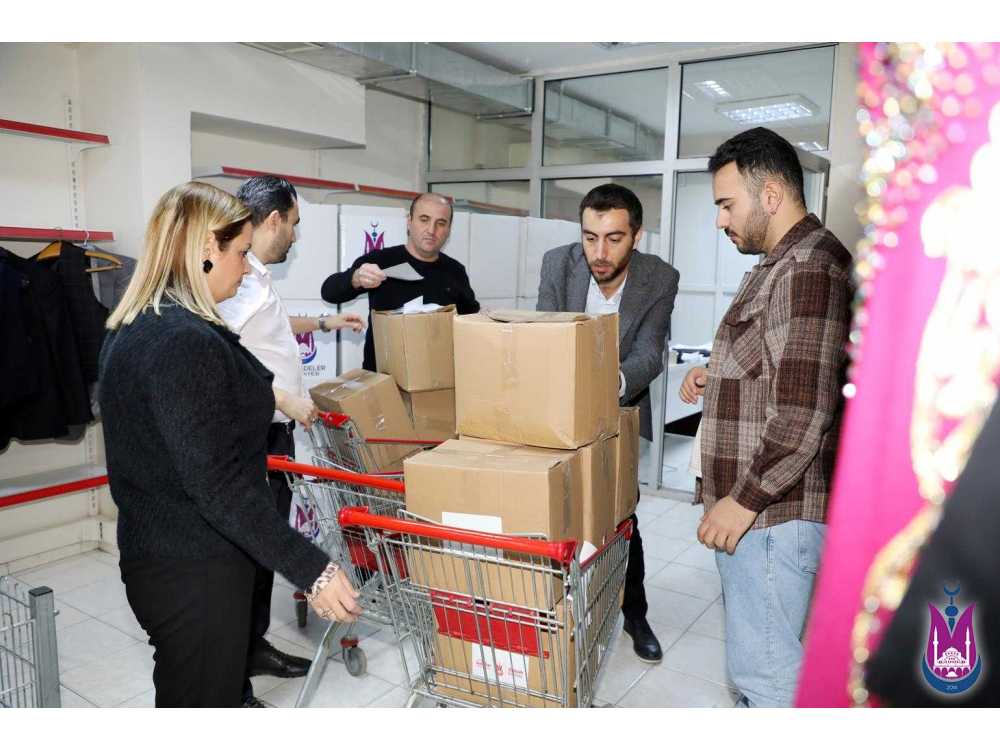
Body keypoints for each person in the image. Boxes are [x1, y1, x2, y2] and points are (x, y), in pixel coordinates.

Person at [98, 181, 362, 708]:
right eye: (240, 253)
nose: (245, 269)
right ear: (205, 250)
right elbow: (217, 485)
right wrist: (313, 569)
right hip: (193, 569)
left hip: (168, 554)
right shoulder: (181, 342)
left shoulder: (141, 324)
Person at [679, 127, 853, 707]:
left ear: (771, 195)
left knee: (768, 678)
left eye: (727, 204)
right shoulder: (781, 264)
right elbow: (781, 369)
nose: (720, 220)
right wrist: (718, 374)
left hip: (773, 515)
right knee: (761, 666)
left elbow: (803, 411)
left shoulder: (808, 267)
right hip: (766, 514)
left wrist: (743, 500)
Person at [216, 175, 363, 706]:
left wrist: (325, 321)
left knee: (261, 555)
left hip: (274, 434)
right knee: (245, 556)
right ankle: (231, 675)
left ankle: (252, 648)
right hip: (254, 435)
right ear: (273, 219)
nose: (295, 237)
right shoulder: (236, 281)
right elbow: (219, 355)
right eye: (294, 225)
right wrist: (284, 399)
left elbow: (271, 327)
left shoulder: (252, 275)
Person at [537, 183, 679, 663]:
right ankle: (555, 610)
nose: (599, 252)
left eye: (614, 239)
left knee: (621, 516)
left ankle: (634, 613)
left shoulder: (659, 278)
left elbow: (650, 354)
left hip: (619, 410)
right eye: (590, 237)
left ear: (636, 236)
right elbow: (545, 336)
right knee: (556, 512)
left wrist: (604, 383)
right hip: (558, 413)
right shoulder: (558, 264)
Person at [320, 192, 479, 370]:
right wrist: (355, 278)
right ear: (409, 221)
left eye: (441, 223)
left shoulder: (455, 271)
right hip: (383, 377)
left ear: (448, 229)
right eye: (424, 219)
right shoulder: (380, 261)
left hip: (436, 377)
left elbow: (471, 320)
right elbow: (329, 292)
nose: (431, 230)